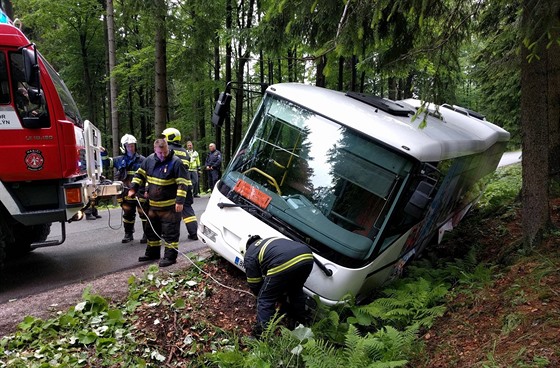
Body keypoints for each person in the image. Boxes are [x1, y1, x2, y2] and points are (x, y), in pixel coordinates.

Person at [128, 137, 189, 267]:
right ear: (155, 150)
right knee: (151, 230)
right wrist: (133, 188)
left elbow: (182, 183)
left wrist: (180, 202)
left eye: (165, 152)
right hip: (153, 206)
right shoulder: (149, 160)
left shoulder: (176, 162)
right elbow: (140, 175)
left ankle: (170, 257)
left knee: (170, 232)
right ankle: (152, 253)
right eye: (160, 153)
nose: (163, 155)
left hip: (170, 207)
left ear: (168, 149)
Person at [240, 235, 314, 336]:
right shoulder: (267, 241)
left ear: (244, 250)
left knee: (265, 299)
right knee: (295, 290)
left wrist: (267, 297)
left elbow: (255, 284)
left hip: (284, 261)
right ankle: (301, 321)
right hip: (306, 256)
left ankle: (261, 334)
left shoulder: (250, 255)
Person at [101, 134, 147, 243]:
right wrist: (104, 153)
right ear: (124, 147)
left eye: (132, 146)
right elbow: (107, 163)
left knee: (144, 214)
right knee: (127, 213)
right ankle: (128, 234)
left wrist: (146, 190)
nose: (131, 148)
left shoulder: (143, 160)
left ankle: (147, 234)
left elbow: (148, 176)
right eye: (128, 146)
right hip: (125, 192)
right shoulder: (119, 160)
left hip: (139, 191)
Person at [162, 128, 198, 241]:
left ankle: (168, 235)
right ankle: (194, 233)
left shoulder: (167, 150)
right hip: (186, 184)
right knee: (187, 208)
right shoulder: (185, 152)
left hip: (173, 186)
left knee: (168, 210)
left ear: (169, 137)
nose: (163, 139)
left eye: (165, 137)